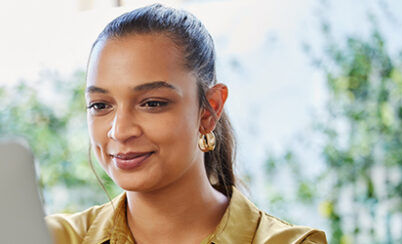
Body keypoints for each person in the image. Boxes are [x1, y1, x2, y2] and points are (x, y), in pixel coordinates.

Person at [45, 4, 327, 244]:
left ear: (209, 111)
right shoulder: (52, 237)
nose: (119, 131)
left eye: (152, 103)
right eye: (101, 106)